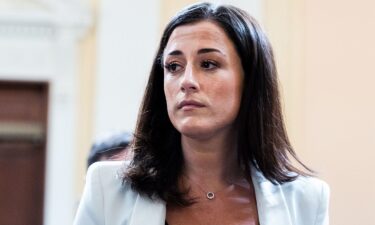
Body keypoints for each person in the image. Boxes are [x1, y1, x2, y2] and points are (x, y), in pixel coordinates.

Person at [74, 2, 329, 225]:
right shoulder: (107, 190)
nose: (187, 81)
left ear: (250, 80)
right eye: (174, 66)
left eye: (208, 64)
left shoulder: (306, 200)